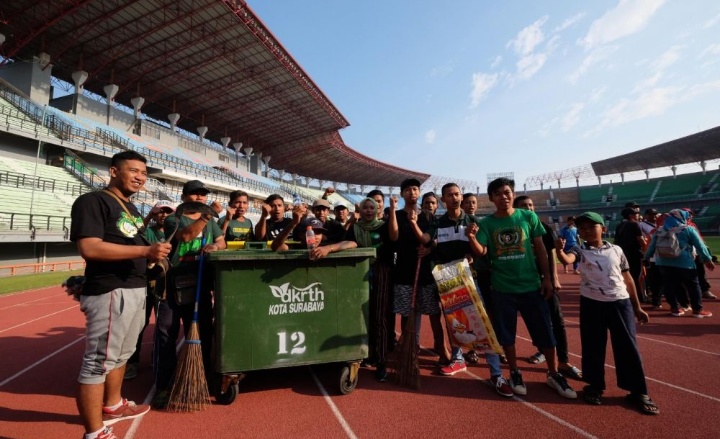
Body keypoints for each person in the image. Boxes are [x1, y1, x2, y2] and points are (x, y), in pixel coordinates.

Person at [70, 150, 172, 439]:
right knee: (98, 362)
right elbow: (89, 248)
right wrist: (145, 251)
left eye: (144, 173)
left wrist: (152, 261)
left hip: (135, 288)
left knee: (122, 356)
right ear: (114, 171)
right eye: (134, 170)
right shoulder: (93, 201)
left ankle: (113, 405)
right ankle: (94, 433)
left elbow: (132, 246)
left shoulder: (131, 208)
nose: (140, 177)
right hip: (111, 290)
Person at [475, 177, 576, 399]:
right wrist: (472, 238)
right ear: (491, 198)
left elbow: (540, 248)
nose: (504, 196)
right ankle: (514, 372)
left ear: (513, 193)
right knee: (507, 335)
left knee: (545, 333)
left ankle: (553, 372)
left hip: (532, 286)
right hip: (502, 288)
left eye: (507, 192)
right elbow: (481, 251)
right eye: (499, 193)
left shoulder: (528, 216)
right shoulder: (487, 224)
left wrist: (547, 278)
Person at [410, 182, 513, 398]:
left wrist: (471, 254)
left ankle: (496, 372)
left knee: (481, 321)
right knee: (454, 321)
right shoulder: (437, 224)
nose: (455, 198)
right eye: (450, 195)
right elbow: (425, 240)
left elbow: (482, 251)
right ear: (443, 200)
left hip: (469, 278)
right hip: (447, 278)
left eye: (457, 194)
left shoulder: (474, 222)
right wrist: (413, 224)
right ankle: (458, 359)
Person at [555, 212, 658, 415]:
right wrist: (559, 251)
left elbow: (627, 278)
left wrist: (637, 307)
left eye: (591, 227)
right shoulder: (580, 249)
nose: (586, 231)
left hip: (620, 303)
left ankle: (638, 391)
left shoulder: (617, 250)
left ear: (603, 228)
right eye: (582, 228)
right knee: (593, 346)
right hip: (592, 304)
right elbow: (568, 258)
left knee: (628, 347)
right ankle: (594, 386)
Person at [152, 180, 226, 409]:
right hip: (173, 288)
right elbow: (184, 237)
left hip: (200, 286)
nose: (200, 198)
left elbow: (221, 241)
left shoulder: (212, 222)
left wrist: (215, 246)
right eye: (195, 195)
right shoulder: (177, 217)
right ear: (184, 197)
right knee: (166, 336)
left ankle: (200, 378)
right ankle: (164, 386)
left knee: (204, 333)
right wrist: (207, 215)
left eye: (203, 195)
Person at [514, 195, 582, 380]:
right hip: (525, 282)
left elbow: (551, 253)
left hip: (545, 281)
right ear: (516, 209)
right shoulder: (513, 228)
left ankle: (563, 360)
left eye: (530, 205)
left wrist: (553, 278)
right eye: (523, 206)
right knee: (536, 321)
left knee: (557, 321)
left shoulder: (543, 228)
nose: (528, 208)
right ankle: (542, 350)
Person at [334, 197, 398, 381]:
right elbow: (349, 244)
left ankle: (382, 361)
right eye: (365, 208)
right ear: (360, 210)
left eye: (372, 207)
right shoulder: (355, 228)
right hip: (359, 275)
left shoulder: (384, 226)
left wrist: (392, 210)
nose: (369, 211)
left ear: (378, 209)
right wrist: (330, 248)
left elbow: (394, 237)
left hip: (382, 274)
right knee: (361, 316)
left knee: (380, 318)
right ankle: (366, 353)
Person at [393, 180, 451, 369]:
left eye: (415, 189)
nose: (412, 192)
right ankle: (410, 349)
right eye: (408, 189)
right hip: (404, 271)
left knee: (434, 313)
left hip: (425, 271)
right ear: (402, 194)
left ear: (419, 192)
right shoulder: (397, 215)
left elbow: (434, 240)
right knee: (407, 314)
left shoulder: (428, 216)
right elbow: (394, 238)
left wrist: (429, 249)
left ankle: (441, 348)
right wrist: (394, 212)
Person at [124, 200, 176, 380]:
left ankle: (157, 358)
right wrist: (147, 216)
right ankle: (132, 362)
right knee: (139, 324)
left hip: (166, 286)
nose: (163, 215)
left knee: (163, 326)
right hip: (147, 284)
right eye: (160, 212)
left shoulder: (176, 232)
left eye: (167, 212)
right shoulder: (148, 231)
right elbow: (135, 232)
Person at [644, 209, 715, 317]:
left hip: (663, 262)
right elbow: (700, 246)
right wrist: (707, 259)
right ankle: (697, 310)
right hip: (685, 263)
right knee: (693, 285)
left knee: (670, 285)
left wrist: (646, 258)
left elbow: (651, 247)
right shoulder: (688, 229)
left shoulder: (659, 230)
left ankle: (675, 308)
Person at [615, 206, 648, 303]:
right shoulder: (634, 224)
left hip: (622, 254)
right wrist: (646, 250)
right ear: (631, 215)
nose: (638, 215)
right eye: (636, 214)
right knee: (638, 276)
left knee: (626, 276)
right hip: (635, 254)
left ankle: (629, 295)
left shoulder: (619, 226)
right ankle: (639, 297)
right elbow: (640, 239)